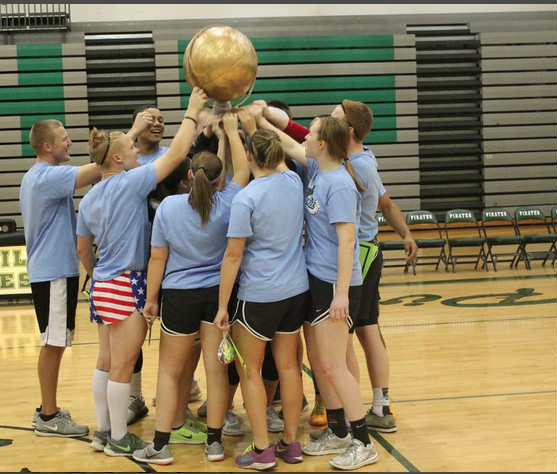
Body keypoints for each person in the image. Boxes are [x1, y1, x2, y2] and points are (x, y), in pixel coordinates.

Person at [77, 87, 207, 457]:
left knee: (105, 363)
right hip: (125, 281)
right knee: (122, 366)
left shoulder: (89, 198)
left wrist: (96, 274)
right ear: (118, 158)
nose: (138, 151)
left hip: (100, 283)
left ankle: (103, 432)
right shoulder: (130, 182)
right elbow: (179, 153)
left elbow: (83, 249)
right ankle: (119, 437)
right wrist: (192, 111)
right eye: (131, 149)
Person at [132, 112, 251, 465]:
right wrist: (230, 131)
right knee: (216, 373)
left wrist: (151, 300)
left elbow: (157, 260)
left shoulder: (168, 207)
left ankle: (161, 444)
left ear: (188, 176)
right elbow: (242, 172)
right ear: (220, 180)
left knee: (169, 371)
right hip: (216, 295)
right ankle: (214, 444)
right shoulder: (229, 201)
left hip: (179, 297)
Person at [267, 115, 379, 470]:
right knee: (322, 363)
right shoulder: (319, 169)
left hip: (336, 284)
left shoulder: (340, 185)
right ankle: (338, 430)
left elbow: (348, 242)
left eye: (310, 134)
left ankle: (363, 441)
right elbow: (287, 144)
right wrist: (255, 117)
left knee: (333, 365)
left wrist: (342, 295)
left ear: (323, 144)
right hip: (318, 279)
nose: (304, 138)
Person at [214, 126, 309, 470]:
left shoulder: (246, 198)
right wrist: (256, 123)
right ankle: (292, 444)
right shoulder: (293, 182)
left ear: (251, 157)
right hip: (296, 291)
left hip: (259, 296)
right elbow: (279, 157)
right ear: (279, 154)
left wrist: (223, 306)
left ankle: (262, 450)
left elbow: (233, 256)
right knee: (289, 367)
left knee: (250, 371)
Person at [332, 100, 417, 433]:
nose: (328, 123)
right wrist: (406, 233)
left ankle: (355, 414)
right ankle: (380, 407)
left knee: (354, 333)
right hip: (368, 252)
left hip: (361, 255)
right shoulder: (362, 158)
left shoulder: (356, 165)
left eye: (334, 119)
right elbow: (386, 203)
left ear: (349, 130)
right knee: (368, 330)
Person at [20, 119, 102, 437]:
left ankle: (48, 411)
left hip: (55, 271)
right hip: (53, 272)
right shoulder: (46, 177)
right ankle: (49, 415)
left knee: (57, 342)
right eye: (65, 139)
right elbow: (93, 172)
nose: (70, 143)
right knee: (53, 343)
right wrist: (129, 137)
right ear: (47, 146)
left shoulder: (39, 176)